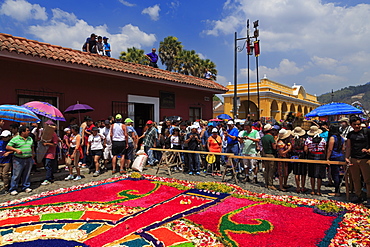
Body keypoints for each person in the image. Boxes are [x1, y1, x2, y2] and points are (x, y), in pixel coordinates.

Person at [345, 116, 370, 207]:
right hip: (354, 158)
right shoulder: (350, 134)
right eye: (354, 124)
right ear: (351, 125)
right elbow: (348, 147)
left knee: (368, 179)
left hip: (365, 159)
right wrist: (347, 157)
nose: (357, 126)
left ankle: (369, 197)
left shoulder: (367, 132)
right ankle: (358, 195)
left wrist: (368, 150)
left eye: (358, 124)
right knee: (355, 179)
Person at [7, 126, 34, 195]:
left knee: (27, 173)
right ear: (23, 132)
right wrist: (16, 150)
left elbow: (32, 146)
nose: (29, 132)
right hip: (18, 159)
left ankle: (25, 186)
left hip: (28, 158)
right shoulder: (15, 139)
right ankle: (13, 188)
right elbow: (8, 146)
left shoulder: (30, 138)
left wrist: (33, 154)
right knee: (16, 174)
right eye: (27, 130)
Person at [305, 126, 326, 196]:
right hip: (321, 156)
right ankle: (319, 190)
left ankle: (313, 190)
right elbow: (324, 149)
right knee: (319, 175)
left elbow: (305, 150)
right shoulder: (323, 139)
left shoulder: (308, 140)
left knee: (312, 174)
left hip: (312, 155)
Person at [326, 124, 345, 197]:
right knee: (340, 174)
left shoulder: (332, 138)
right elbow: (343, 149)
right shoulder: (341, 138)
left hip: (334, 157)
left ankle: (337, 191)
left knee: (335, 174)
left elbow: (330, 149)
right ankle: (338, 189)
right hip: (341, 156)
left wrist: (327, 158)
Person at [291, 127, 307, 193]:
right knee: (303, 173)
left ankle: (298, 187)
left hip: (295, 156)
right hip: (302, 156)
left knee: (296, 172)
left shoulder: (292, 141)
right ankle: (303, 187)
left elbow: (291, 148)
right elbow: (306, 149)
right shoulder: (304, 140)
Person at [261, 124, 277, 190]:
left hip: (265, 153)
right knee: (271, 169)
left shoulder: (263, 137)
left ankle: (266, 183)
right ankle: (270, 184)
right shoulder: (271, 137)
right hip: (271, 154)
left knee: (266, 169)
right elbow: (274, 147)